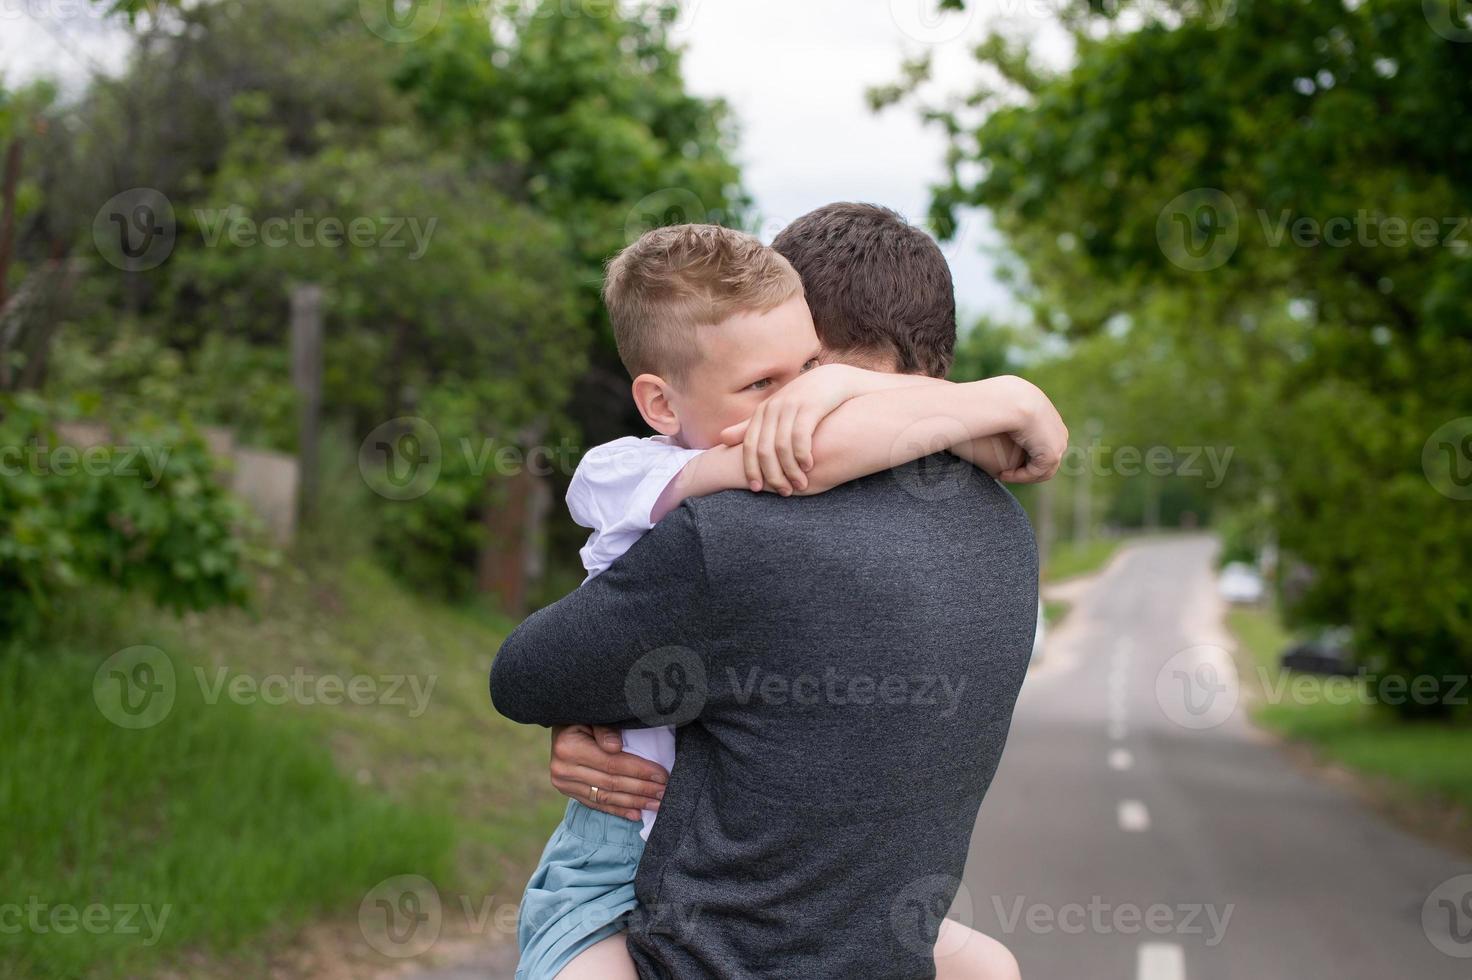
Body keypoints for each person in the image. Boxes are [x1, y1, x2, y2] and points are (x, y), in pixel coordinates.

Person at [494, 205, 1063, 979]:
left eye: (804, 385)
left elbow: (527, 673)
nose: (793, 413)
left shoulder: (739, 531)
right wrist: (1009, 402)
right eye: (770, 385)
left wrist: (586, 709)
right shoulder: (1005, 533)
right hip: (883, 938)